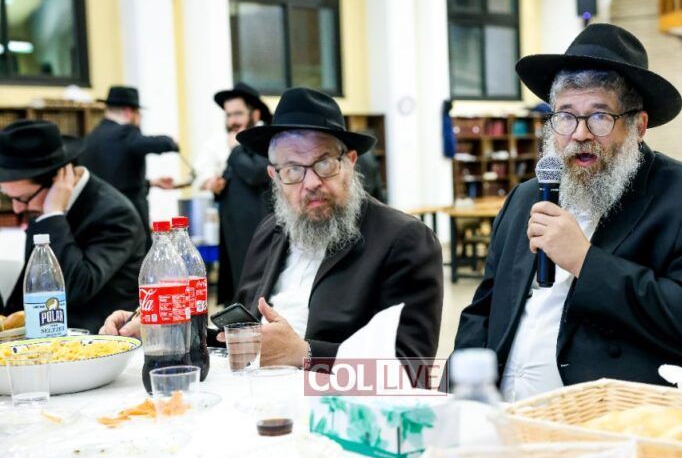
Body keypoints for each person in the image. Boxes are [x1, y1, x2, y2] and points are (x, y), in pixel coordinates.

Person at [450, 23, 682, 400]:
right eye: (566, 116)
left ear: (638, 125)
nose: (580, 133)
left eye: (600, 116)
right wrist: (457, 397)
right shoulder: (525, 197)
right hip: (497, 412)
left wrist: (585, 261)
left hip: (607, 417)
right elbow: (483, 311)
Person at [102, 87, 443, 370]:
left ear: (350, 162)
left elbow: (412, 370)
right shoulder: (271, 232)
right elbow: (240, 338)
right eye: (293, 170)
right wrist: (165, 327)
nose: (311, 182)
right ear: (274, 177)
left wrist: (307, 355)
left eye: (324, 163)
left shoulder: (404, 240)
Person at [0, 120, 145, 333]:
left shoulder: (116, 213)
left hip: (100, 338)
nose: (17, 208)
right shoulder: (38, 203)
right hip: (46, 337)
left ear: (59, 181)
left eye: (22, 198)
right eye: (9, 197)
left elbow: (76, 288)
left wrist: (53, 214)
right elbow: (33, 283)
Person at [199, 82, 274, 303]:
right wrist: (215, 185)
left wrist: (235, 150)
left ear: (255, 114)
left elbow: (257, 173)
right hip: (234, 236)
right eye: (228, 115)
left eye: (238, 114)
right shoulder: (231, 143)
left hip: (258, 235)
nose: (232, 121)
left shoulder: (266, 139)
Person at [80, 86, 179, 242]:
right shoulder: (126, 132)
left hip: (97, 219)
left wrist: (151, 183)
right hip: (128, 218)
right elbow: (158, 143)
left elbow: (112, 178)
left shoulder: (92, 136)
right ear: (128, 112)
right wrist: (172, 142)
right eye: (139, 114)